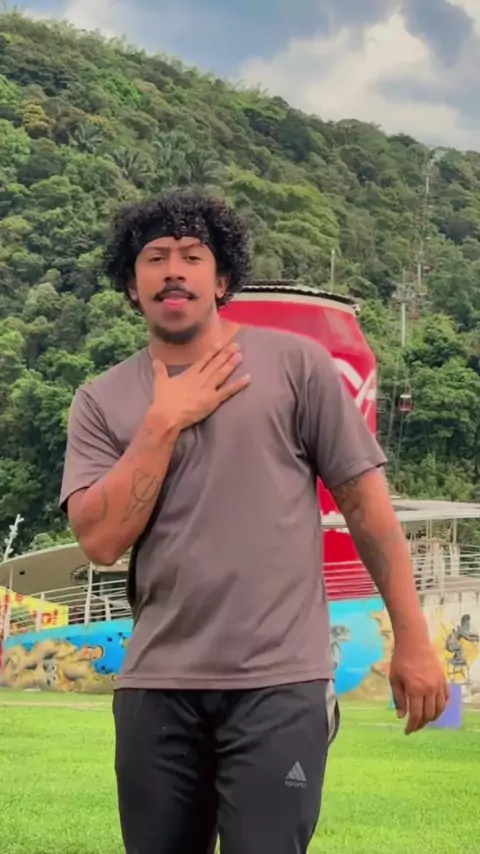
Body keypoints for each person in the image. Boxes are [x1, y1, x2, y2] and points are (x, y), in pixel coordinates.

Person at [60, 189, 448, 854]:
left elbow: (367, 510)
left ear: (223, 280)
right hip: (158, 685)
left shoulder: (298, 366)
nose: (174, 271)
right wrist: (163, 422)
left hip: (280, 682)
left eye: (192, 256)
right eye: (155, 258)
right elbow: (100, 540)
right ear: (130, 283)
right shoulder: (101, 400)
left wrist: (412, 639)